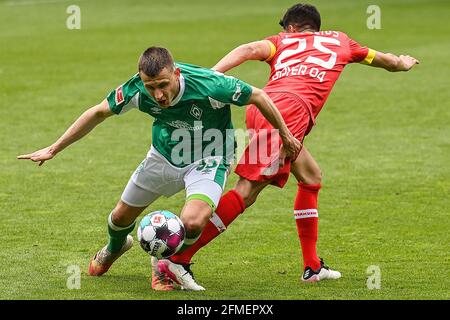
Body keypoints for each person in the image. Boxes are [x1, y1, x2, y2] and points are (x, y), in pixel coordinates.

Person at [155, 3, 419, 290]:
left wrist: (209, 77)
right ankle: (178, 259)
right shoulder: (343, 42)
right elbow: (387, 61)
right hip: (289, 114)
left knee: (310, 177)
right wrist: (402, 62)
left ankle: (312, 267)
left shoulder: (282, 41)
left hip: (266, 107)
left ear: (291, 28)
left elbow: (245, 50)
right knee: (248, 190)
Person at [17, 46, 301, 291]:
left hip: (210, 159)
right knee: (118, 218)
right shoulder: (136, 89)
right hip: (163, 156)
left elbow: (259, 96)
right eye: (151, 87)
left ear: (176, 74)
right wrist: (54, 148)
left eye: (163, 84)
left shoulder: (210, 85)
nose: (158, 94)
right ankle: (115, 247)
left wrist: (286, 137)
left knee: (192, 222)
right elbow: (97, 112)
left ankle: (163, 263)